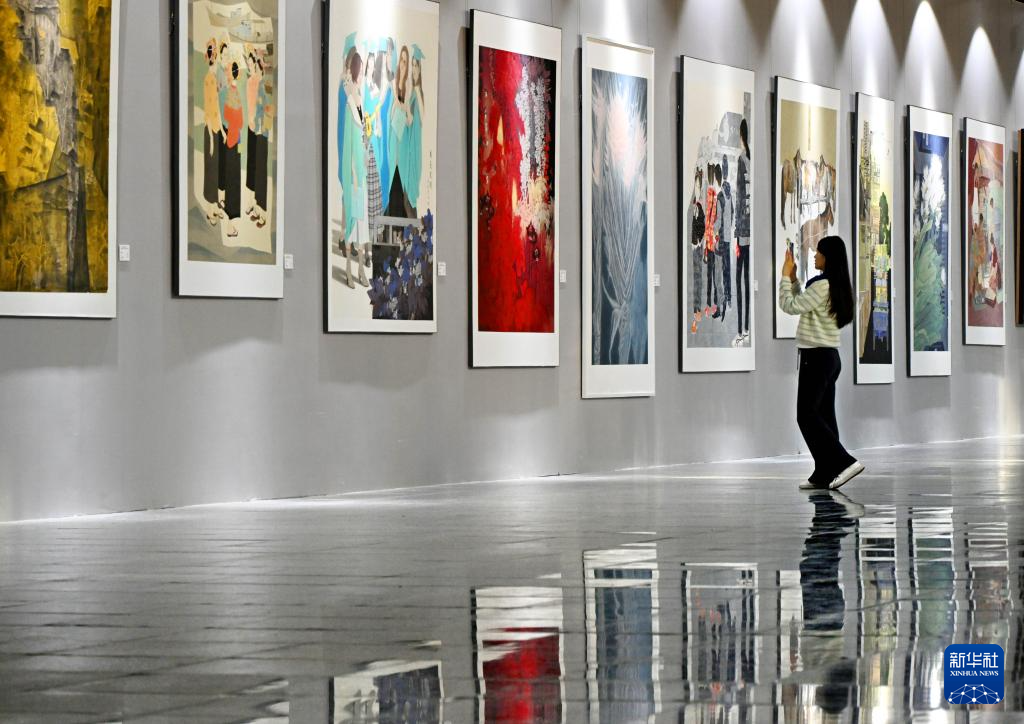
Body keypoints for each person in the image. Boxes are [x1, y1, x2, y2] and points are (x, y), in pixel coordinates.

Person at [778, 235, 864, 490]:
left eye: (819, 252)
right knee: (824, 416)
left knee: (805, 416)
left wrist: (784, 277)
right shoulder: (833, 285)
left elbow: (790, 305)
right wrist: (794, 280)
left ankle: (844, 462)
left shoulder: (822, 285)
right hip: (829, 358)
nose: (815, 256)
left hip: (815, 357)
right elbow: (804, 304)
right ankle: (824, 471)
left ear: (828, 257)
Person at [221, 61, 245, 239]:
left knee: (231, 179)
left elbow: (232, 118)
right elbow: (238, 121)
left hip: (231, 138)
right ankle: (230, 226)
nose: (226, 72)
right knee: (232, 179)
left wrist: (228, 130)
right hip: (233, 139)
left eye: (228, 70)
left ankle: (230, 225)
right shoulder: (233, 92)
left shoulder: (231, 92)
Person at [734, 119, 751, 345]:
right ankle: (746, 328)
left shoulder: (741, 160)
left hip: (742, 232)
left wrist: (737, 231)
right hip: (751, 230)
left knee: (739, 280)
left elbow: (739, 196)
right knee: (747, 280)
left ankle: (739, 330)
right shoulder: (752, 160)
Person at [201, 39, 221, 226]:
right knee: (210, 171)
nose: (215, 57)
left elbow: (217, 108)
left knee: (215, 170)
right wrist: (212, 139)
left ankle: (214, 206)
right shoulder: (208, 79)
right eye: (213, 54)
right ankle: (209, 210)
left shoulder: (214, 79)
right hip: (210, 131)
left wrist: (221, 130)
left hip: (216, 128)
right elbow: (208, 110)